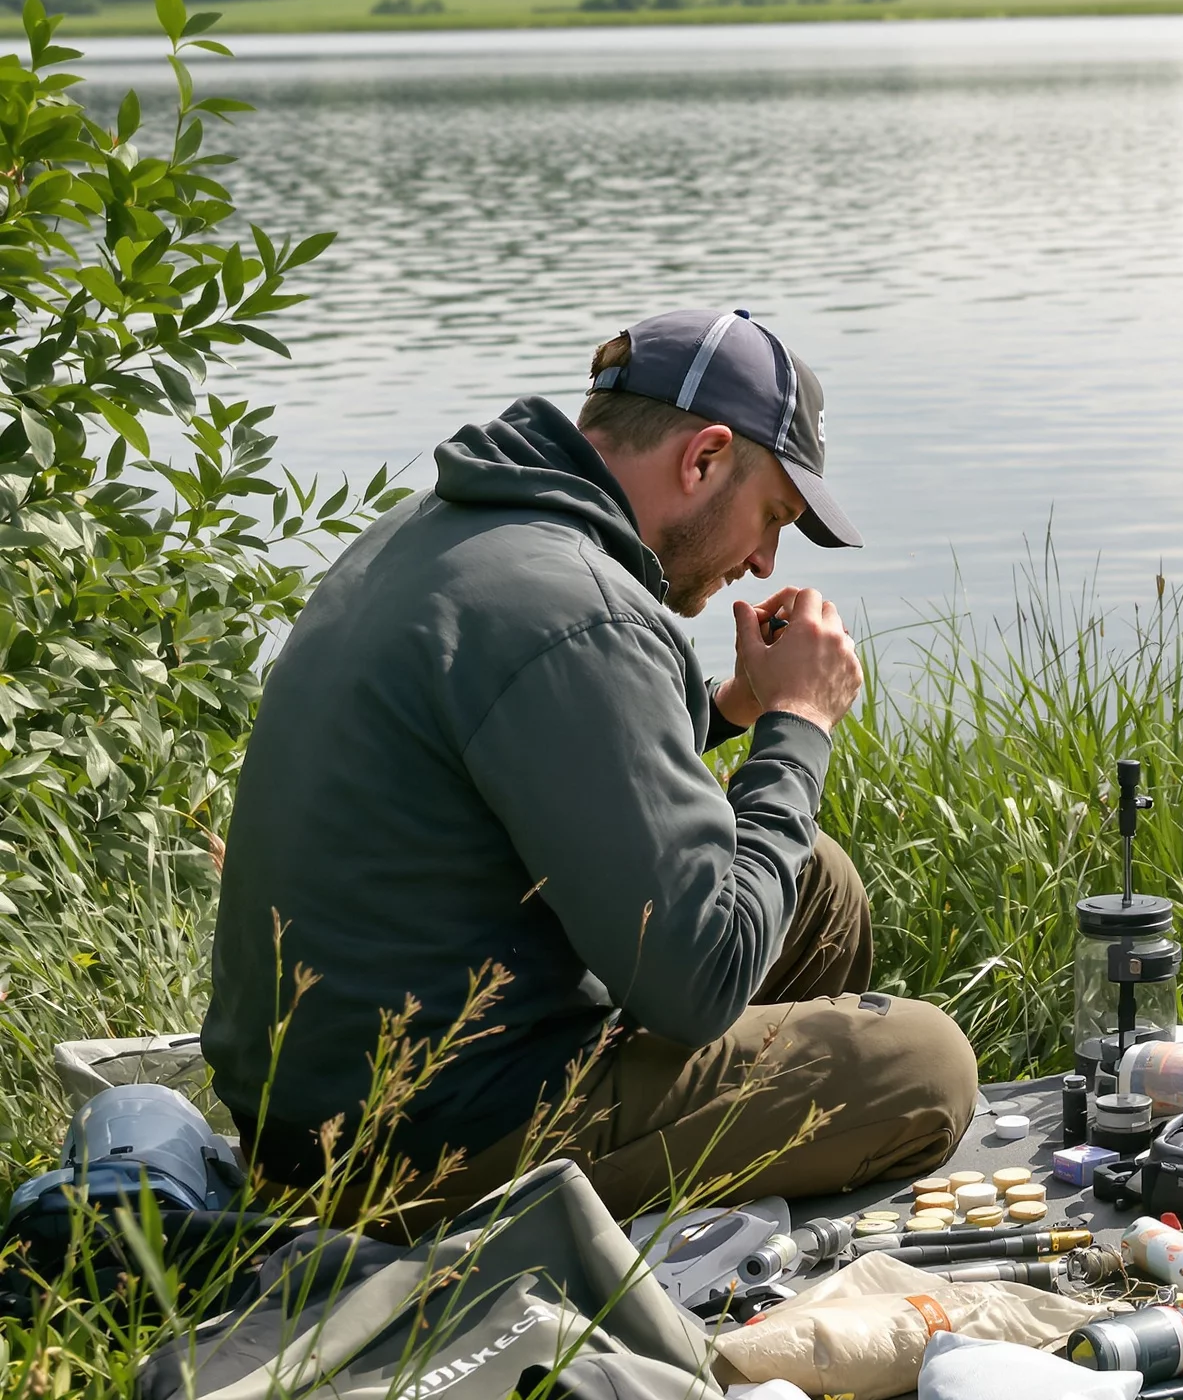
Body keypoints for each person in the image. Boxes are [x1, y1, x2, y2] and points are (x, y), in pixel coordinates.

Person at [202, 306, 980, 1227]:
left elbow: (544, 741)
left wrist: (735, 704)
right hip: (411, 1151)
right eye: (772, 516)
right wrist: (799, 723)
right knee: (923, 1067)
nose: (764, 558)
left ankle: (716, 1183)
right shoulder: (578, 609)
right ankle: (695, 1228)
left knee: (815, 881)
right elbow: (702, 981)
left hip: (322, 1109)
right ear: (704, 458)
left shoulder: (458, 530)